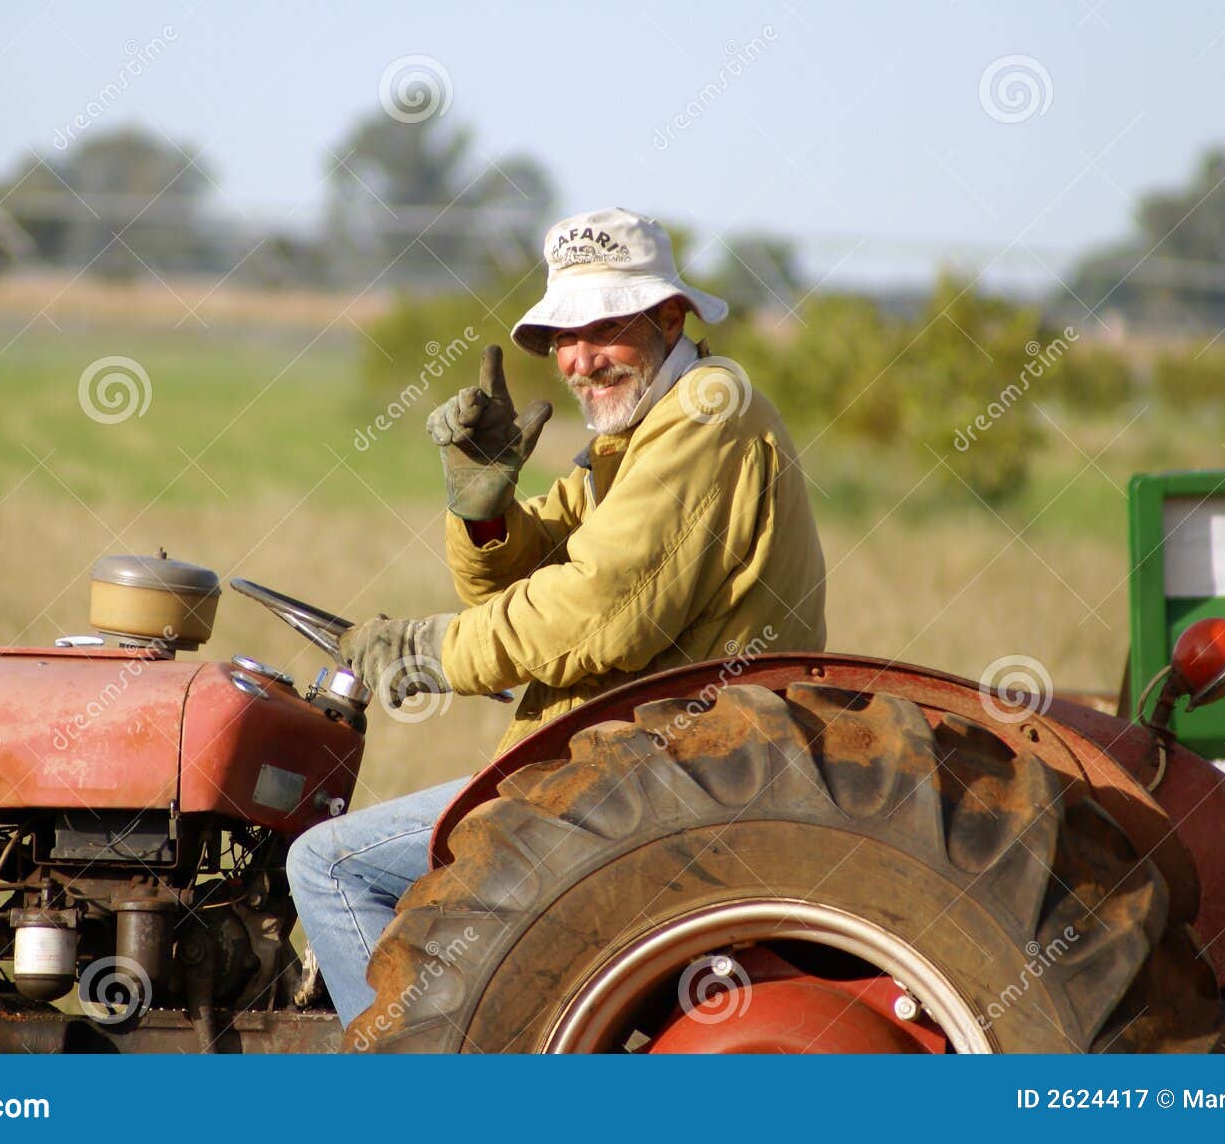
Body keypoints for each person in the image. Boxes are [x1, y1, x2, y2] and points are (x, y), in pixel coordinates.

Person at [286, 207, 827, 1028]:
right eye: (564, 334)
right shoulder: (638, 430)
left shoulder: (707, 409)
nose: (579, 358)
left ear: (670, 316)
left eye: (603, 325)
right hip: (633, 757)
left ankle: (409, 1087)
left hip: (665, 767)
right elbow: (540, 568)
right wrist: (486, 513)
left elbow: (596, 609)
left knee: (329, 864)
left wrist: (423, 650)